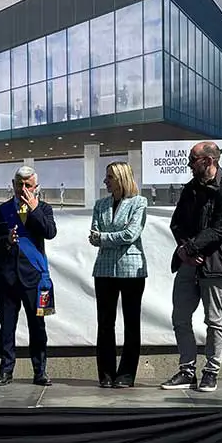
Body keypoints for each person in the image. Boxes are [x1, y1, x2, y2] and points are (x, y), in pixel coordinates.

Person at [161, 141, 222, 393]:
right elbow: (177, 224)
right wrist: (186, 250)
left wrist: (193, 249)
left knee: (213, 319)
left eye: (192, 160)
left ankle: (211, 372)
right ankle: (187, 370)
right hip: (188, 262)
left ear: (208, 161)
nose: (188, 164)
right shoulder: (190, 189)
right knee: (180, 317)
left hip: (214, 262)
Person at [0, 165, 57, 386]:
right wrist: (5, 240)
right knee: (7, 327)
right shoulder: (2, 210)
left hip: (34, 279)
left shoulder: (43, 208)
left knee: (38, 327)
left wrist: (33, 209)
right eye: (19, 184)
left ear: (36, 188)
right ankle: (6, 370)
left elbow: (50, 233)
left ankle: (40, 371)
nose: (23, 189)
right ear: (13, 185)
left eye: (28, 185)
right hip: (7, 278)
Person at [88, 161, 148, 388]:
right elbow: (93, 235)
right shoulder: (100, 204)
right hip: (103, 270)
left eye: (109, 177)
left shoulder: (139, 202)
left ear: (121, 179)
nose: (105, 181)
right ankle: (105, 373)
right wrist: (105, 237)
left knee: (131, 324)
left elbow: (130, 234)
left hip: (132, 271)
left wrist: (104, 238)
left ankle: (126, 374)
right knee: (105, 323)